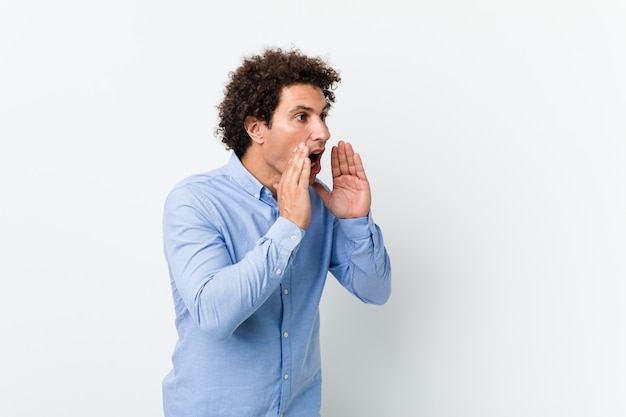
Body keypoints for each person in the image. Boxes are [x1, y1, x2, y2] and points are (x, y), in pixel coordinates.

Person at [161, 47, 392, 417]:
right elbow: (215, 316)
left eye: (322, 116)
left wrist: (353, 220)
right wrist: (288, 227)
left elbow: (375, 291)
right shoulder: (194, 201)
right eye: (302, 116)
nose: (323, 132)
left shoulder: (320, 203)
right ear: (256, 129)